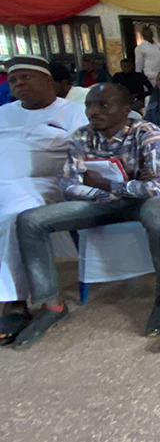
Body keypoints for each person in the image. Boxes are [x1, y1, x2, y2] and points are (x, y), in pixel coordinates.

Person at [14, 83, 160, 347]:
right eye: (89, 105)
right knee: (30, 220)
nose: (93, 111)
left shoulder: (146, 132)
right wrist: (125, 188)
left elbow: (158, 187)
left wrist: (104, 183)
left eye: (103, 104)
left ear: (125, 110)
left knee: (155, 215)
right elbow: (70, 186)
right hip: (110, 201)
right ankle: (51, 305)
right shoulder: (81, 137)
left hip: (151, 200)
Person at [0, 57, 88, 345]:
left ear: (48, 80)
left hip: (43, 184)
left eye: (26, 77)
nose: (19, 84)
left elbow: (116, 132)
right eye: (13, 80)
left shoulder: (74, 113)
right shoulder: (5, 113)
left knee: (16, 213)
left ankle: (14, 301)